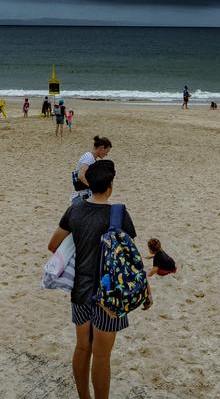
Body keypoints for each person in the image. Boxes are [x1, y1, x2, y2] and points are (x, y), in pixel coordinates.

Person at [47, 161, 136, 399]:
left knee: (82, 346)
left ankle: (83, 396)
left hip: (81, 289)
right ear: (110, 186)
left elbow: (53, 245)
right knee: (102, 355)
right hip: (110, 295)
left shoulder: (74, 210)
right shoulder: (118, 213)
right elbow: (128, 254)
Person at [71, 135, 112, 203]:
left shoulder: (90, 156)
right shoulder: (89, 158)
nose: (106, 154)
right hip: (80, 197)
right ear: (101, 148)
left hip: (81, 196)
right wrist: (93, 187)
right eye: (107, 151)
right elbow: (81, 176)